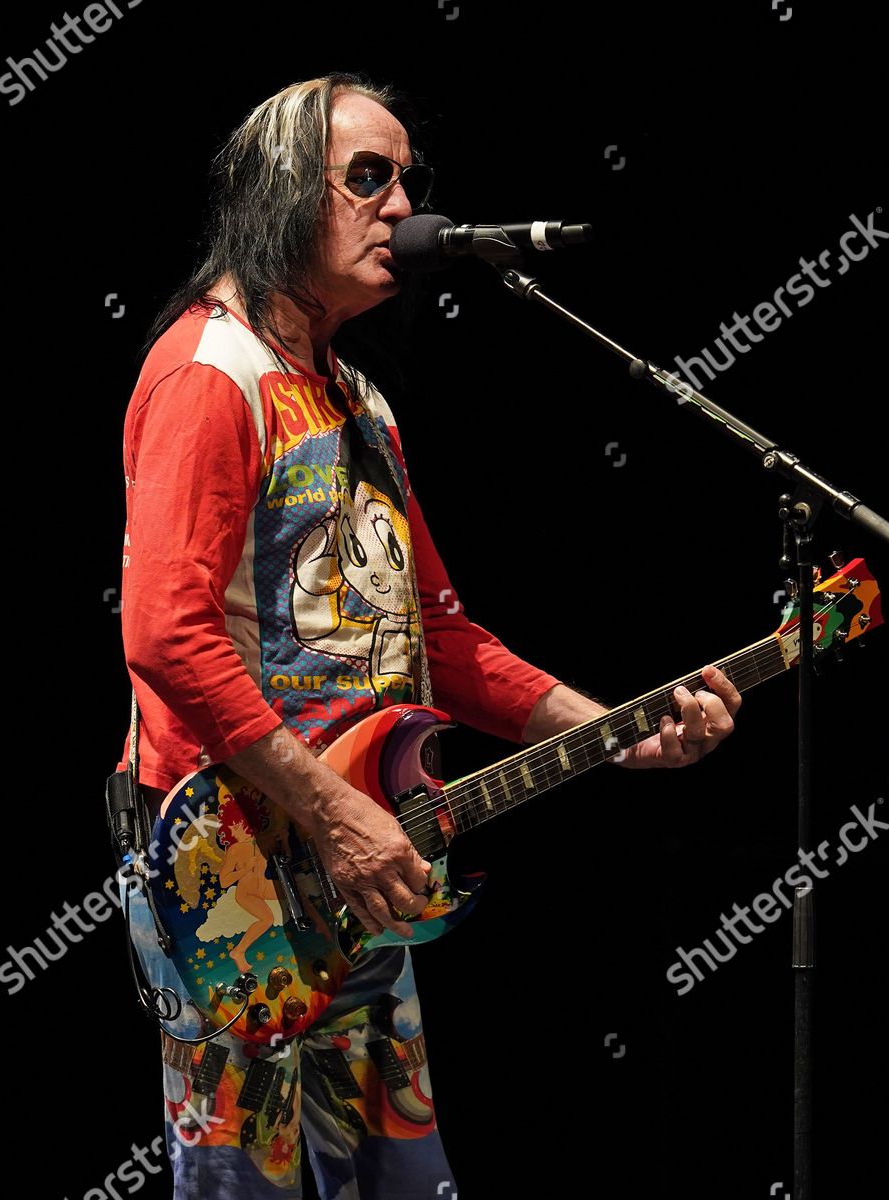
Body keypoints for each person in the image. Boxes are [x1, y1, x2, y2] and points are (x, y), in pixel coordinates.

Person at [113, 72, 742, 1200]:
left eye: (409, 178)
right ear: (277, 195)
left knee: (400, 1186)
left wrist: (616, 733)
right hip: (236, 875)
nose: (403, 206)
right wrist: (339, 813)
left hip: (358, 861)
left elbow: (442, 639)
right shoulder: (213, 376)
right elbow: (166, 635)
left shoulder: (358, 397)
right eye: (368, 178)